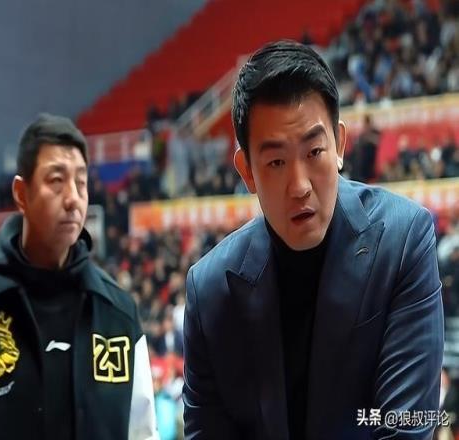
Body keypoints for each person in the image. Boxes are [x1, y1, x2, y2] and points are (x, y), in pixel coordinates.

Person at [183, 40, 444, 439]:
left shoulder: (403, 241)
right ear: (246, 171)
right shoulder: (210, 289)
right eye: (276, 162)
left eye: (314, 152)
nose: (300, 186)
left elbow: (406, 425)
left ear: (339, 145)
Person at [0, 114, 159, 440]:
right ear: (21, 193)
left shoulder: (118, 313)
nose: (73, 199)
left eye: (81, 183)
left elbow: (143, 434)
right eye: (56, 181)